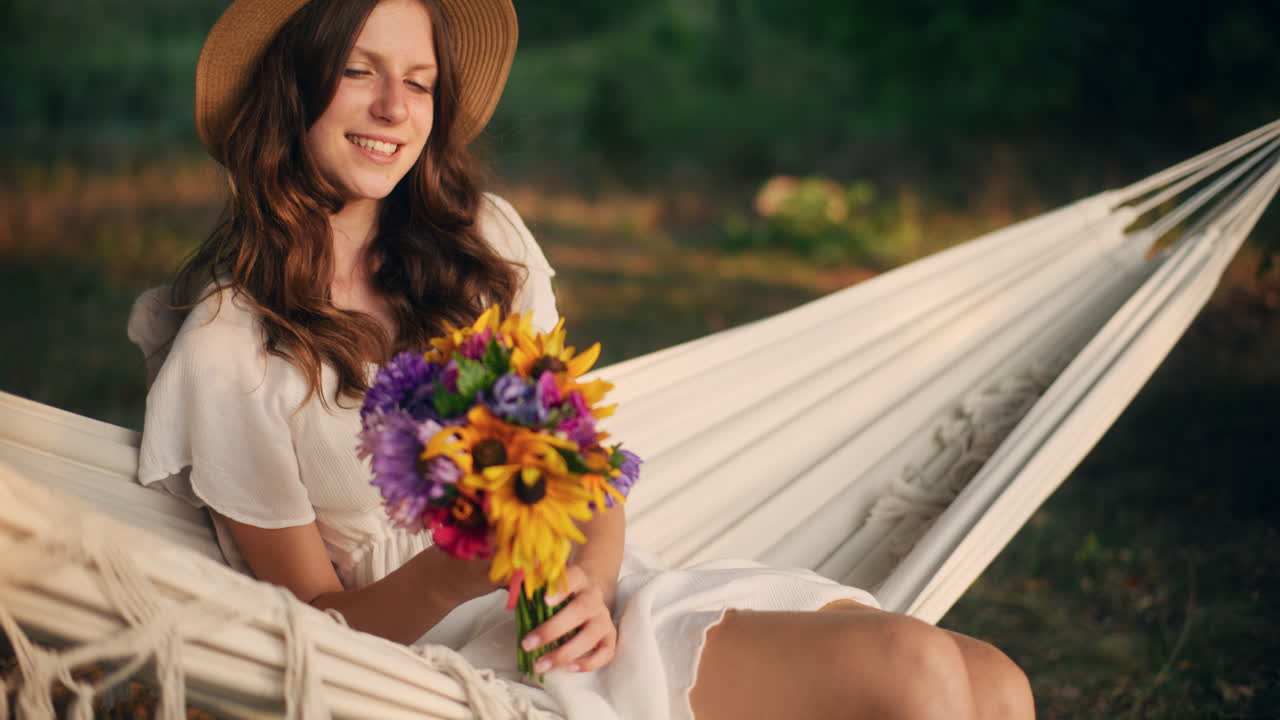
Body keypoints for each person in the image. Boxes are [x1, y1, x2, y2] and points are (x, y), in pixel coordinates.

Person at [128, 0, 1036, 718]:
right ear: (292, 91)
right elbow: (306, 631)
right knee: (914, 673)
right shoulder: (231, 353)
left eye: (420, 81)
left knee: (995, 684)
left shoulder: (478, 245)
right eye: (358, 72)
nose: (394, 110)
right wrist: (451, 572)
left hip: (582, 616)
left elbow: (585, 475)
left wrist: (592, 591)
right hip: (437, 669)